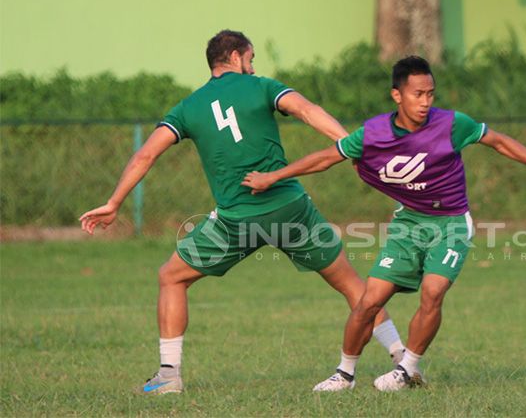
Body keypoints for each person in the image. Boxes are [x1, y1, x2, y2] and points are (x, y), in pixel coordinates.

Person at [79, 30, 405, 395]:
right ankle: (402, 360)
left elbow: (146, 154)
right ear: (235, 56)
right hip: (290, 208)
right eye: (250, 59)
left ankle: (169, 376)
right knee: (352, 286)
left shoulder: (188, 107)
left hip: (237, 219)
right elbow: (308, 112)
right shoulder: (263, 87)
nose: (252, 68)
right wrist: (349, 146)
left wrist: (114, 202)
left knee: (172, 277)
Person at [243, 55, 526, 392]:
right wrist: (274, 176)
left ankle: (407, 370)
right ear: (397, 95)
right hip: (408, 223)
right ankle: (344, 374)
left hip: (450, 223)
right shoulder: (373, 133)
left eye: (430, 94)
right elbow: (326, 158)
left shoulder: (451, 124)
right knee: (369, 301)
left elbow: (499, 141)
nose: (425, 102)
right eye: (417, 94)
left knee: (433, 291)